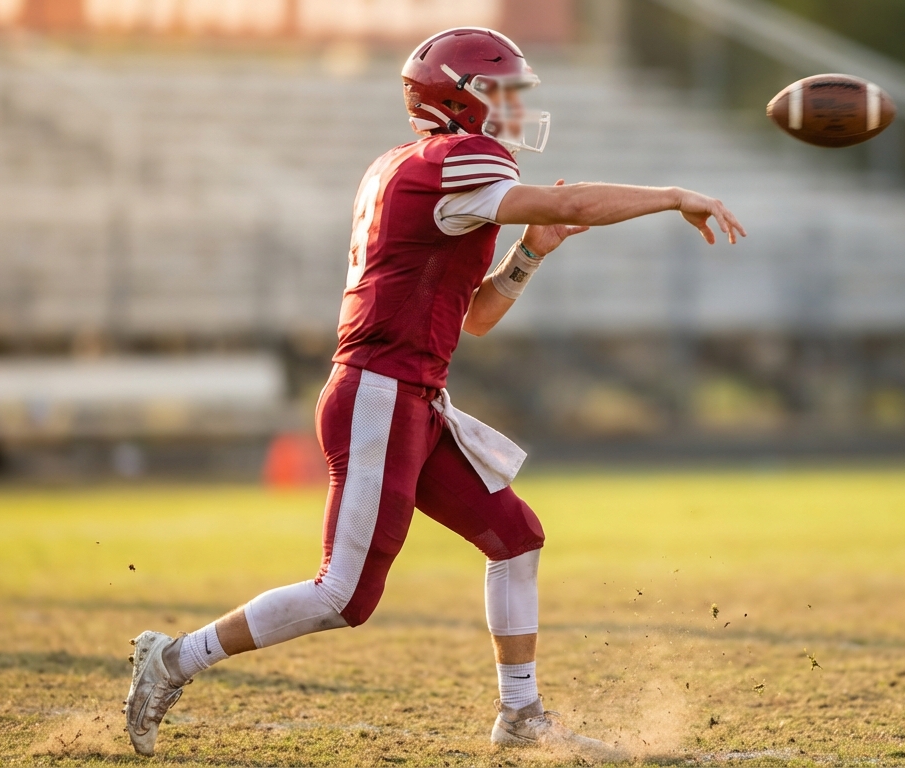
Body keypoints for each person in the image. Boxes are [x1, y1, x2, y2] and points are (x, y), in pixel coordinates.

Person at [121, 27, 745, 759]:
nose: (512, 106)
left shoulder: (408, 165)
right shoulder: (457, 160)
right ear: (455, 95)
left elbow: (474, 317)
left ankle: (521, 717)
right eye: (499, 89)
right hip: (380, 393)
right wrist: (673, 195)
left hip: (408, 396)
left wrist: (527, 257)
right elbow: (570, 205)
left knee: (515, 539)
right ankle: (173, 659)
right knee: (342, 598)